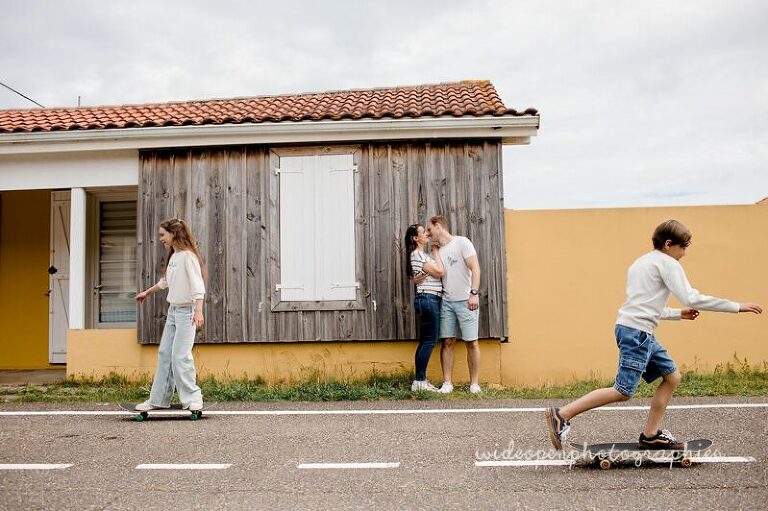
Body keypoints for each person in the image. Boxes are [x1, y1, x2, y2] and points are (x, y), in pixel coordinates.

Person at [546, 219, 762, 450]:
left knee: (672, 376)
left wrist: (679, 314)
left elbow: (646, 306)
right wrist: (737, 306)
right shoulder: (668, 263)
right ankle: (562, 415)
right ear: (669, 244)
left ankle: (651, 435)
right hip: (637, 333)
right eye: (683, 246)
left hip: (635, 329)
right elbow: (692, 298)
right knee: (622, 391)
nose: (685, 253)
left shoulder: (640, 263)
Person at [134, 218, 207, 412]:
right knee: (165, 353)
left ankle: (193, 398)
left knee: (180, 356)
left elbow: (198, 286)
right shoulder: (174, 256)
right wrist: (146, 293)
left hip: (187, 313)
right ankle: (158, 399)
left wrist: (198, 311)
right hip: (173, 312)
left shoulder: (188, 257)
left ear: (173, 233)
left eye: (162, 235)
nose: (160, 239)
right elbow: (165, 282)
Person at [424, 215, 482, 394]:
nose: (427, 233)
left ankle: (474, 384)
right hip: (447, 302)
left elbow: (476, 268)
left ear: (438, 225)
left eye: (429, 229)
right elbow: (433, 273)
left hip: (466, 301)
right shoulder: (436, 251)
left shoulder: (462, 242)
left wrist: (473, 294)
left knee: (471, 342)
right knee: (447, 342)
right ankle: (447, 383)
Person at [405, 223, 446, 392]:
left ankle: (420, 381)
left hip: (430, 299)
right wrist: (436, 252)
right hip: (428, 299)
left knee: (426, 341)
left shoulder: (422, 255)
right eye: (424, 232)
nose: (427, 234)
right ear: (416, 238)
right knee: (429, 341)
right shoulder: (417, 254)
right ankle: (419, 382)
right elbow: (440, 272)